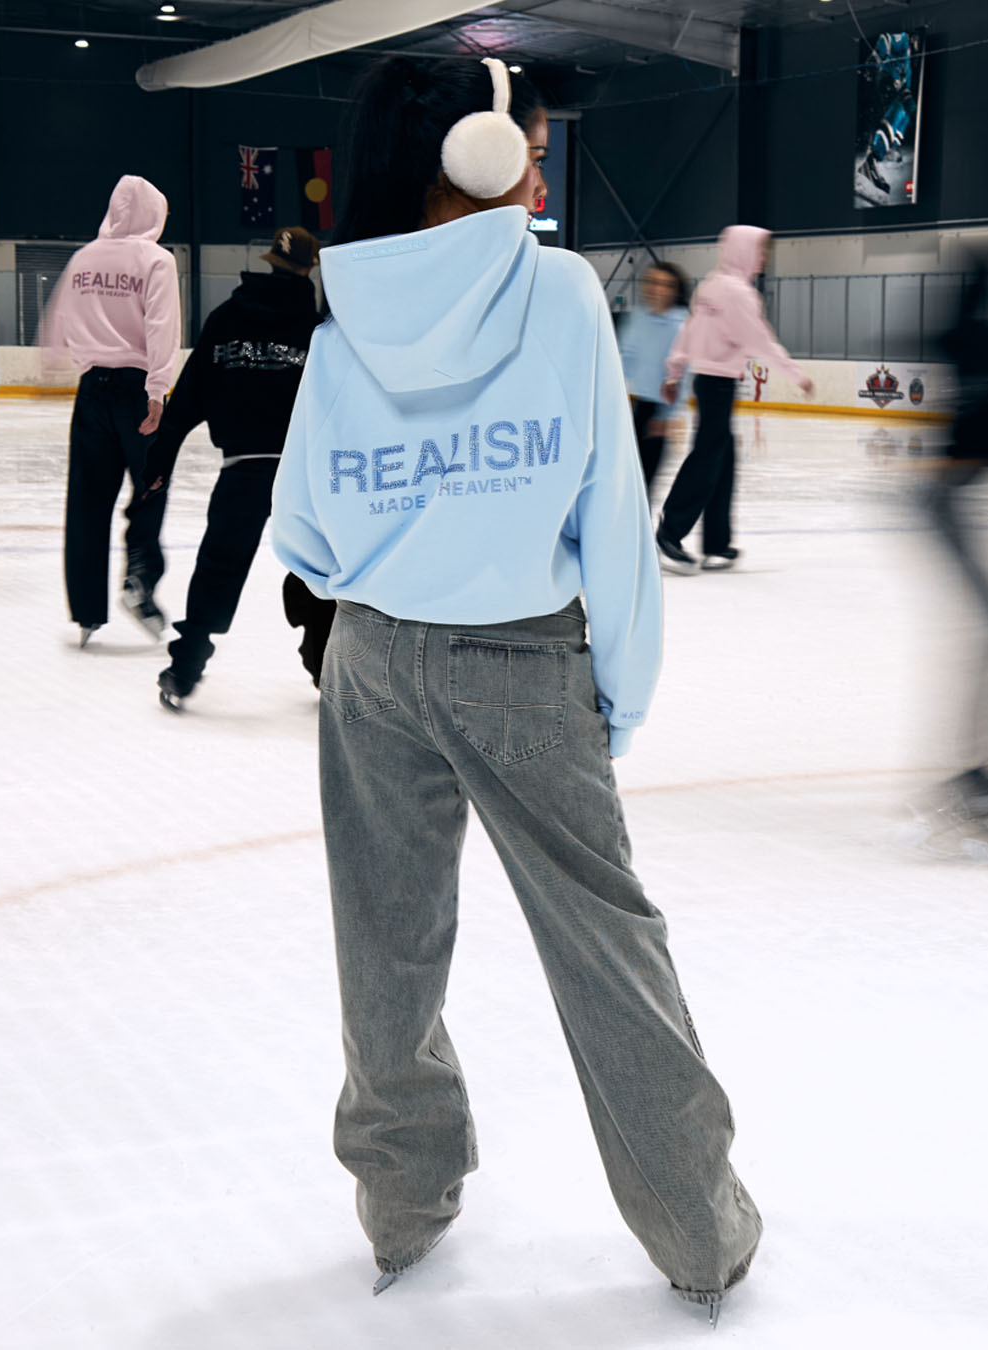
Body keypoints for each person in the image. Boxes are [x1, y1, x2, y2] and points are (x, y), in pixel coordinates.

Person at [271, 54, 761, 1319]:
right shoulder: (554, 290)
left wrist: (393, 561)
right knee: (605, 944)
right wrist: (623, 687)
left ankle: (402, 1207)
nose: (540, 180)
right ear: (477, 159)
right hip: (521, 660)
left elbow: (302, 527)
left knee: (384, 943)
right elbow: (611, 507)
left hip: (369, 660)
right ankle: (698, 1233)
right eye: (530, 154)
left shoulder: (345, 299)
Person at [138, 224, 331, 710]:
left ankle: (184, 668)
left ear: (269, 261)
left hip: (243, 467)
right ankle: (326, 668)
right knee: (318, 568)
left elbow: (187, 399)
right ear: (309, 268)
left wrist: (159, 460)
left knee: (219, 565)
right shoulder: (319, 328)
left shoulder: (226, 318)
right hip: (303, 475)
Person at [42, 174, 180, 647]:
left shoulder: (84, 258)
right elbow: (162, 326)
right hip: (137, 390)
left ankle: (85, 612)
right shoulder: (156, 260)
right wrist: (158, 391)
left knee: (87, 500)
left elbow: (58, 316)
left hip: (91, 389)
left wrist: (52, 360)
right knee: (151, 486)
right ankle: (139, 578)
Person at [911, 251, 988, 859]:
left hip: (944, 500)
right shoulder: (981, 349)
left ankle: (976, 771)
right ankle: (972, 777)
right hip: (942, 502)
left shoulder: (972, 343)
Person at [657, 225, 813, 573]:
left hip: (706, 382)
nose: (764, 259)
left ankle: (717, 544)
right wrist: (796, 374)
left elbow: (688, 332)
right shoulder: (740, 294)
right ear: (745, 250)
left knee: (722, 460)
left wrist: (675, 370)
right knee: (707, 459)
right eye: (761, 251)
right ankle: (669, 533)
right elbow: (761, 341)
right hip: (719, 384)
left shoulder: (711, 285)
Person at [618, 261, 689, 503]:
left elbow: (683, 375)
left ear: (675, 291)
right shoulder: (637, 318)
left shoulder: (681, 325)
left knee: (644, 482)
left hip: (658, 412)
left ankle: (642, 526)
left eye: (665, 285)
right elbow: (626, 360)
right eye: (653, 282)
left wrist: (668, 416)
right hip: (634, 407)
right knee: (624, 480)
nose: (657, 289)